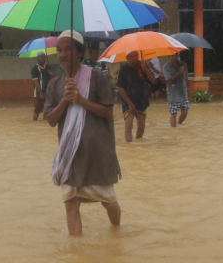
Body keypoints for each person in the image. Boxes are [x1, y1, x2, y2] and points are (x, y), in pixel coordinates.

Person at [44, 30, 122, 237]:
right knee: (71, 205)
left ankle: (118, 232)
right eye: (59, 50)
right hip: (71, 157)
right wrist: (65, 100)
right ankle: (76, 252)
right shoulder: (54, 84)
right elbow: (50, 120)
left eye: (67, 49)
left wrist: (81, 100)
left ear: (80, 53)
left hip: (97, 155)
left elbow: (107, 112)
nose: (62, 54)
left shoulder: (97, 78)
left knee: (109, 203)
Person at [117, 51, 155, 143]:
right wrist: (129, 103)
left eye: (136, 55)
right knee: (128, 124)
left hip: (142, 101)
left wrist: (145, 68)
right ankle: (129, 146)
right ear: (127, 58)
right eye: (132, 56)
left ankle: (138, 147)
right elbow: (121, 88)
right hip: (128, 101)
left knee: (141, 127)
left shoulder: (143, 66)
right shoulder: (123, 69)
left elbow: (153, 80)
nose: (134, 58)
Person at [163, 53, 189, 127]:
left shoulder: (183, 64)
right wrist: (179, 72)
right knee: (173, 113)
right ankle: (173, 130)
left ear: (178, 55)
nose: (174, 57)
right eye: (172, 55)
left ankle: (179, 123)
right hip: (173, 94)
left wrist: (187, 89)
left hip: (183, 93)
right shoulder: (166, 67)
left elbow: (186, 77)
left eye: (175, 55)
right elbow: (169, 80)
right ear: (169, 56)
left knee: (185, 112)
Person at [31, 51, 53, 121]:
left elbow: (50, 79)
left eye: (45, 57)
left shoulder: (47, 68)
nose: (44, 59)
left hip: (47, 91)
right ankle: (34, 123)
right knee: (37, 109)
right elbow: (36, 82)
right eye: (42, 58)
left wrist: (51, 74)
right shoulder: (34, 69)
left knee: (46, 109)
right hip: (38, 92)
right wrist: (41, 93)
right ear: (38, 58)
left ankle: (44, 124)